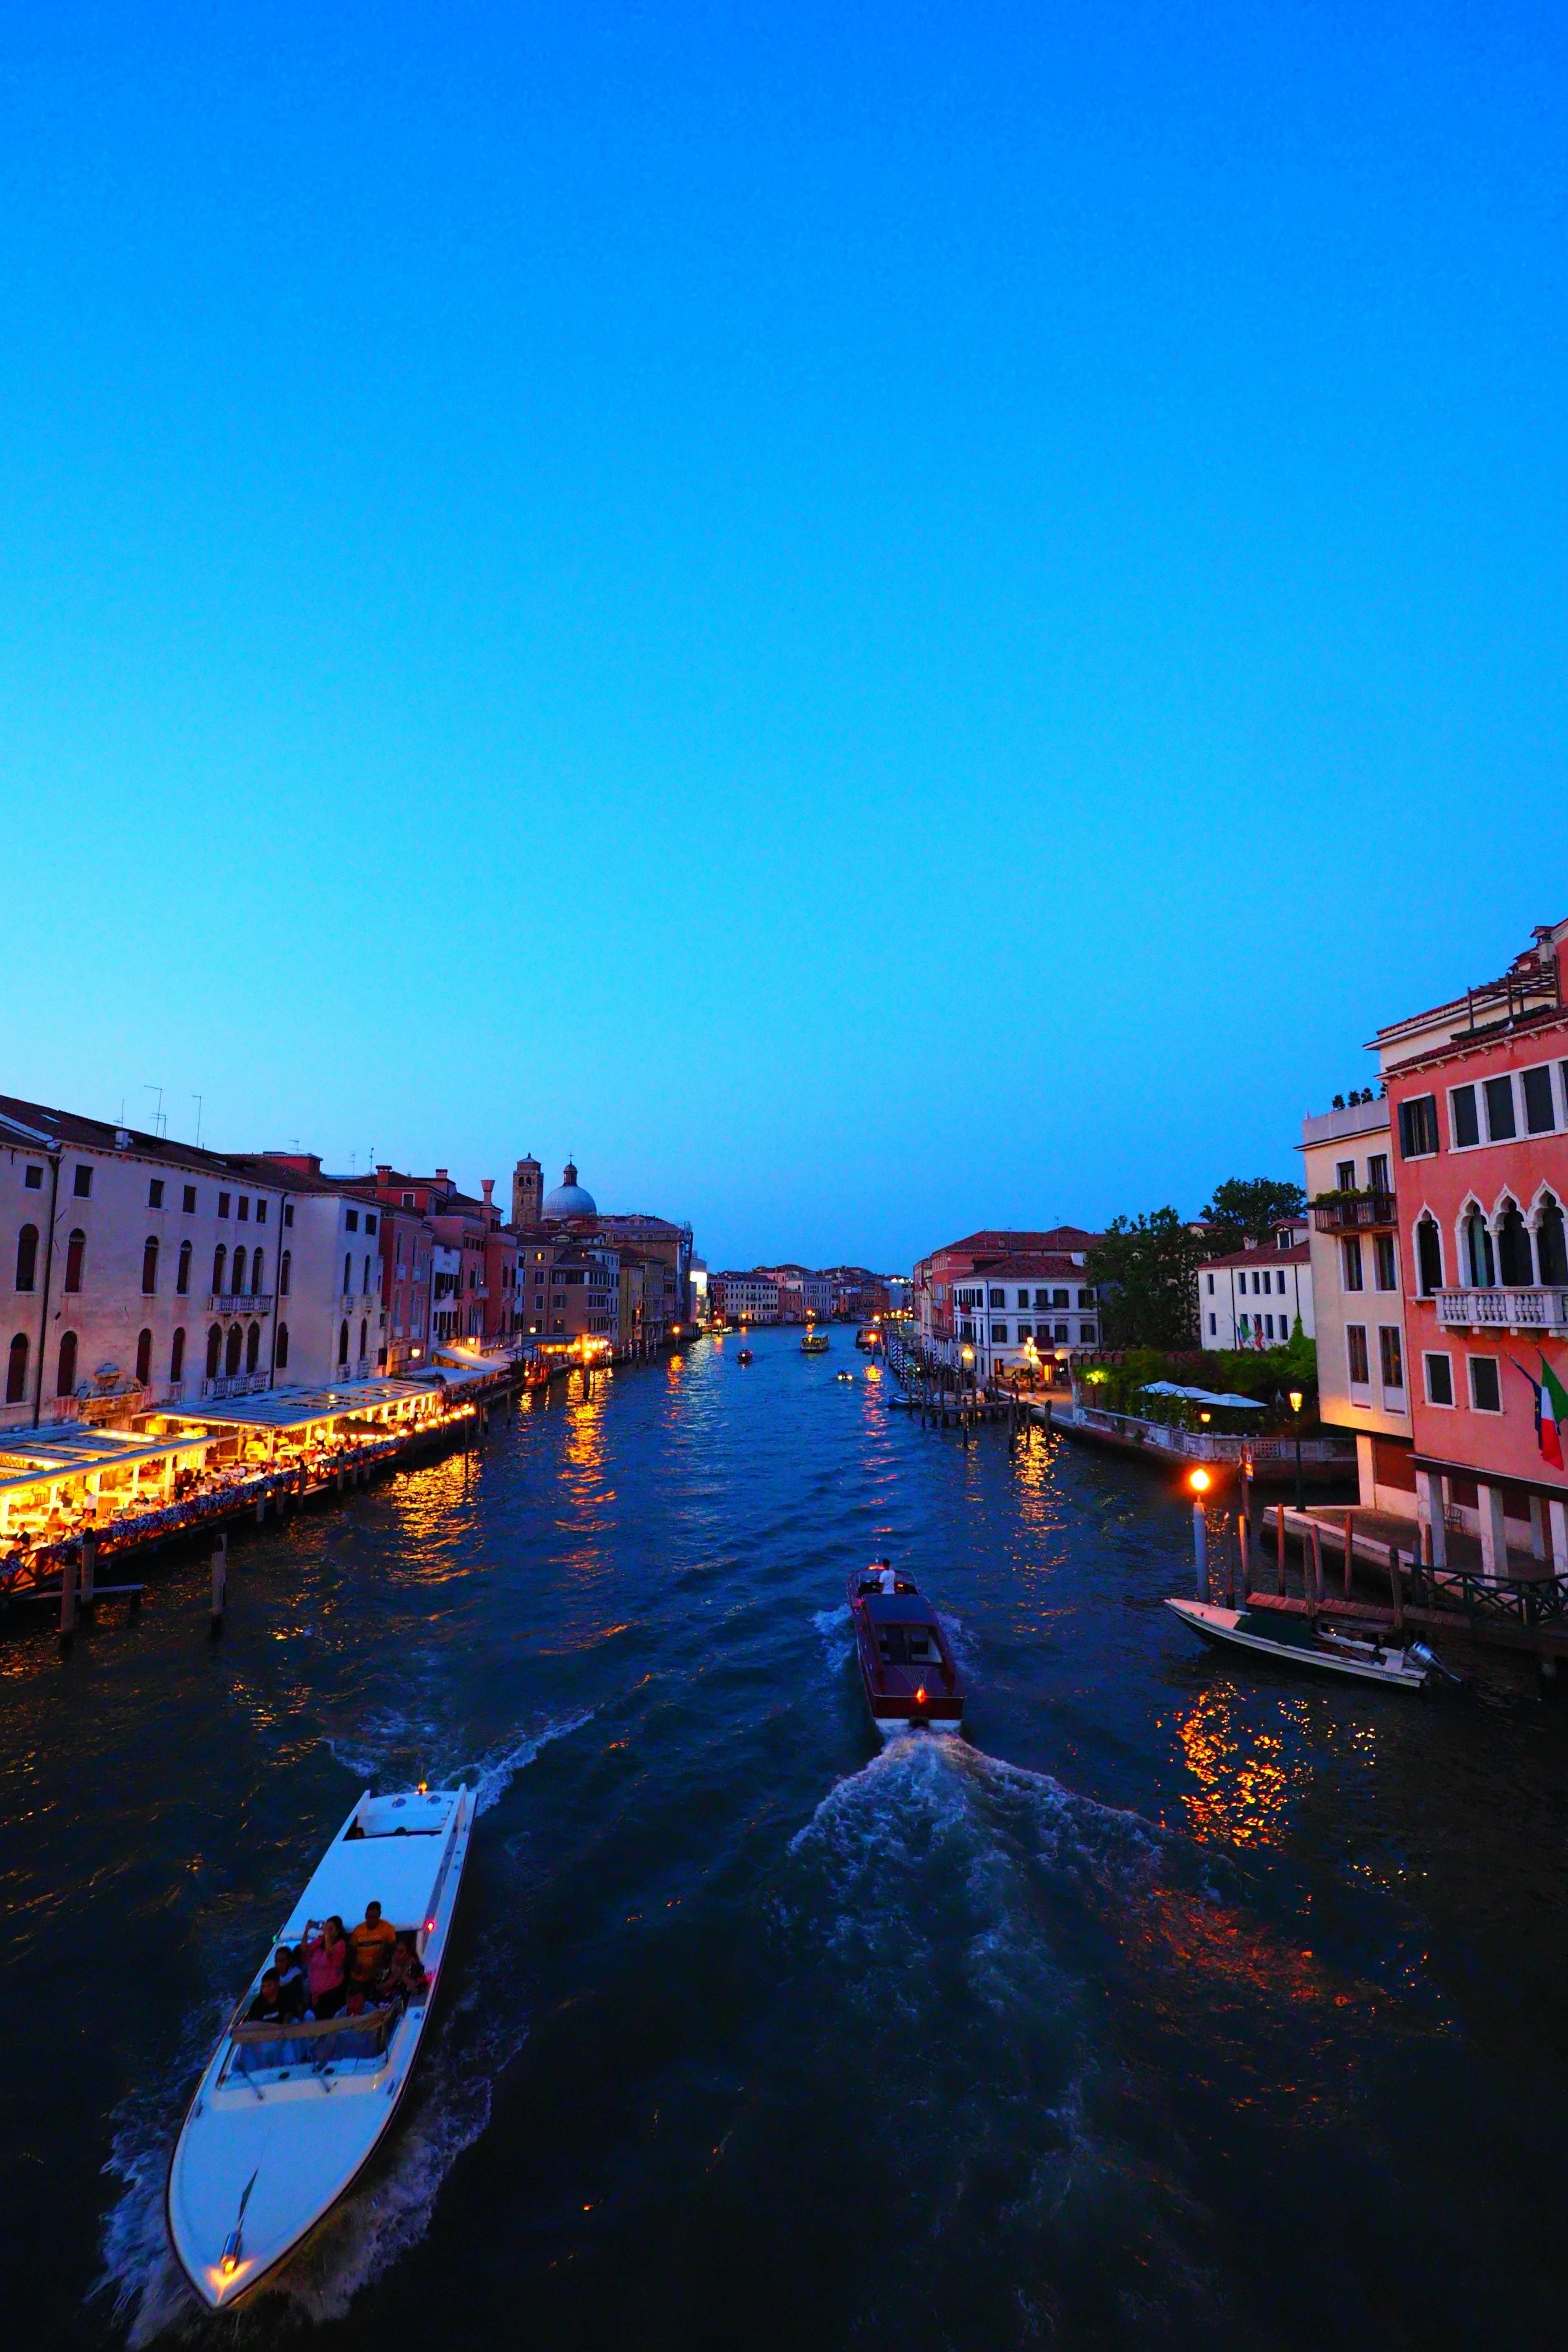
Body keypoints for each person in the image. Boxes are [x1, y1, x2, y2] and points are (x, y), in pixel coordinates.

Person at [348, 1900, 397, 1991]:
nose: (371, 1920)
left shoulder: (387, 1928)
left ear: (380, 1916)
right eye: (369, 1917)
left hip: (377, 1977)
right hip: (359, 1977)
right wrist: (355, 1965)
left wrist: (383, 1966)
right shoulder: (359, 1930)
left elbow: (392, 1950)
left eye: (375, 1917)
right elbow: (351, 1951)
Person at [305, 1916, 349, 2017]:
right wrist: (307, 1931)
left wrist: (326, 1935)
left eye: (331, 1929)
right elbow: (305, 1950)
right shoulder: (319, 1941)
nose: (328, 1931)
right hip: (316, 1993)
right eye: (326, 1928)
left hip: (331, 1993)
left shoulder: (340, 1945)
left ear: (337, 1931)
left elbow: (330, 1952)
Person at [274, 1945, 307, 2019]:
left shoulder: (296, 1975)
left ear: (289, 1961)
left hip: (292, 2013)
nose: (280, 1964)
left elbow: (298, 2001)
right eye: (278, 1961)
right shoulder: (273, 1975)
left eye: (283, 1961)